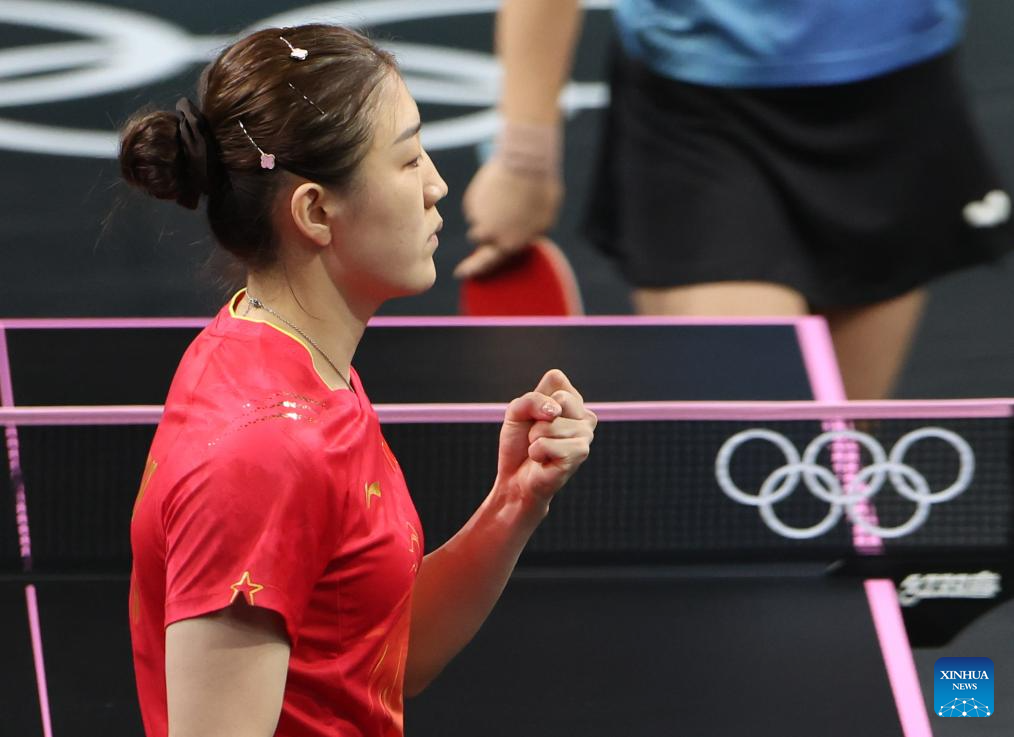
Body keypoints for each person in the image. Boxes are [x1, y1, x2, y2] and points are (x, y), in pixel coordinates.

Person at [120, 24, 596, 737]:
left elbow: (374, 655)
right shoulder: (262, 455)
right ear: (316, 211)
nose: (437, 184)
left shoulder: (291, 360)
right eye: (407, 160)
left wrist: (515, 501)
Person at [458, 0, 1013, 399]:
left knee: (833, 469)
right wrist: (525, 156)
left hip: (898, 93)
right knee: (757, 450)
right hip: (702, 107)